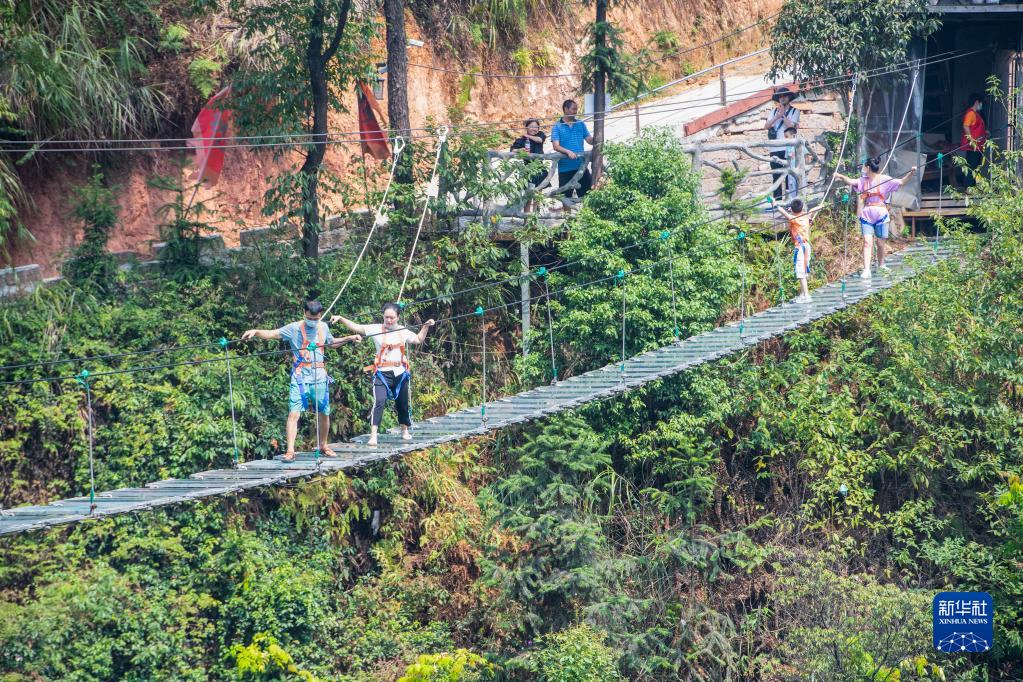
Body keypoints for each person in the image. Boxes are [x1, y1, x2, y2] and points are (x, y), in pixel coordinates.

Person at [241, 301, 361, 462]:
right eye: (311, 318)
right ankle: (290, 451)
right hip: (300, 378)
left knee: (324, 412)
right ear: (304, 313)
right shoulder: (294, 329)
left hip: (319, 376)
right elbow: (272, 334)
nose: (313, 321)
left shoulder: (323, 327)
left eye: (317, 318)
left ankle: (323, 445)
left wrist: (350, 337)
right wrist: (255, 331)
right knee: (293, 413)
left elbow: (331, 343)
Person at [331, 304, 435, 447]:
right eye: (386, 317)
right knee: (379, 401)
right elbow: (356, 327)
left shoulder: (403, 331)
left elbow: (418, 339)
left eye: (392, 318)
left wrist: (426, 326)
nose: (389, 320)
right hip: (382, 373)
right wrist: (341, 318)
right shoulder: (376, 329)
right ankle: (373, 435)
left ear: (398, 317)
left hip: (400, 373)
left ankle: (404, 430)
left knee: (402, 403)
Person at [834, 158, 917, 279]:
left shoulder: (884, 179)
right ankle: (866, 269)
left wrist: (911, 173)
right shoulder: (863, 180)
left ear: (867, 168)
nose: (863, 168)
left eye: (864, 166)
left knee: (880, 243)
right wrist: (840, 176)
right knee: (867, 242)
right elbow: (851, 181)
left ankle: (881, 264)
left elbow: (901, 182)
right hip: (867, 214)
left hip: (881, 214)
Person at [775, 197, 825, 303]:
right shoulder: (806, 216)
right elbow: (812, 210)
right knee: (803, 271)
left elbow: (784, 213)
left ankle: (807, 296)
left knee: (800, 272)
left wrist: (775, 204)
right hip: (807, 247)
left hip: (800, 248)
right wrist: (821, 206)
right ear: (802, 208)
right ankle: (802, 294)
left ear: (792, 210)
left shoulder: (794, 219)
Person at [551, 99, 594, 199]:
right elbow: (555, 146)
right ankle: (567, 215)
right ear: (566, 109)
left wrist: (596, 138)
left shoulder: (580, 123)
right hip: (565, 169)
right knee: (566, 198)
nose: (575, 112)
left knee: (588, 195)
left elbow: (588, 139)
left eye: (576, 109)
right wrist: (567, 151)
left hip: (581, 166)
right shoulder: (557, 127)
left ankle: (585, 214)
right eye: (573, 109)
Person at [766, 86, 801, 201]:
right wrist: (777, 116)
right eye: (780, 96)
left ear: (789, 97)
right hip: (774, 148)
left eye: (784, 95)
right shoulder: (773, 112)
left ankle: (790, 201)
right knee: (776, 176)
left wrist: (783, 116)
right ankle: (777, 202)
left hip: (788, 148)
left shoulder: (795, 111)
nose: (782, 98)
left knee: (789, 176)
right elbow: (766, 126)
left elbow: (791, 126)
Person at [511, 118, 548, 212]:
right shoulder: (521, 140)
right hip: (528, 170)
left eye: (536, 127)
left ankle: (536, 219)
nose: (534, 129)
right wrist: (521, 150)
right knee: (528, 197)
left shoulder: (540, 134)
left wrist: (527, 136)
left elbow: (540, 140)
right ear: (527, 127)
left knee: (538, 197)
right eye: (531, 126)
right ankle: (526, 220)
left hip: (540, 169)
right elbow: (512, 150)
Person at [960, 93, 987, 189]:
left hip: (978, 146)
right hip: (973, 147)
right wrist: (971, 140)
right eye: (981, 103)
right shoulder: (971, 113)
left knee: (976, 167)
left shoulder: (976, 114)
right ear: (976, 102)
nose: (982, 105)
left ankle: (973, 187)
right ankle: (968, 188)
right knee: (972, 167)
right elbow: (965, 125)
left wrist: (985, 132)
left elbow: (975, 128)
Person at [783, 126, 800, 199]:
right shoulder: (788, 147)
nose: (785, 139)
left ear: (793, 136)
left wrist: (800, 168)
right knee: (791, 187)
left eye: (787, 137)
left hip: (799, 170)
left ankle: (800, 202)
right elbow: (787, 159)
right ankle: (792, 202)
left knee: (800, 186)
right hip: (791, 171)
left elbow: (805, 157)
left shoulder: (800, 145)